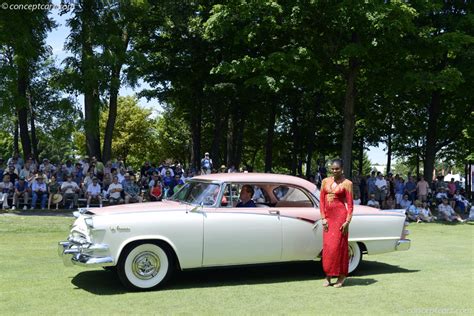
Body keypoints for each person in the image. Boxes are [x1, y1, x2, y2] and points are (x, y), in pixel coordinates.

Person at [319, 159, 353, 288]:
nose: (334, 170)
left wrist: (347, 221)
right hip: (328, 219)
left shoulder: (347, 183)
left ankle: (341, 276)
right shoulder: (325, 181)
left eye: (337, 169)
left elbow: (350, 205)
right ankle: (328, 275)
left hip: (340, 218)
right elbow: (321, 201)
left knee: (339, 247)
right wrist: (323, 218)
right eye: (332, 168)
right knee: (328, 248)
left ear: (342, 169)